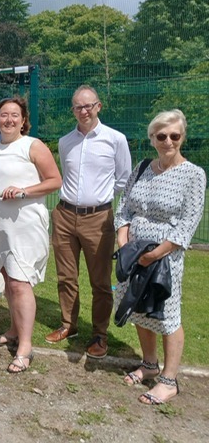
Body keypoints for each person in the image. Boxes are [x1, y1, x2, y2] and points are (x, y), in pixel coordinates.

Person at [115, 109, 205, 405]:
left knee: (166, 315)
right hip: (135, 252)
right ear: (152, 138)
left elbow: (187, 224)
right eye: (161, 136)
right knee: (138, 307)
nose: (168, 141)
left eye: (175, 136)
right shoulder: (142, 168)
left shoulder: (193, 174)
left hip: (165, 257)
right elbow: (125, 208)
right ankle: (149, 364)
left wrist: (155, 254)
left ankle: (169, 380)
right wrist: (124, 242)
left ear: (182, 138)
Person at [0, 97, 62, 373]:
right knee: (8, 280)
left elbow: (54, 181)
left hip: (24, 225)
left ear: (24, 120)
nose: (9, 120)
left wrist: (23, 191)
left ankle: (25, 346)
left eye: (15, 115)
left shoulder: (33, 146)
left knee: (20, 283)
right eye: (3, 115)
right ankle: (13, 331)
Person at [46, 85, 132, 359]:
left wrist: (101, 199)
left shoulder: (116, 139)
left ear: (98, 106)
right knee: (66, 277)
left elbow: (124, 179)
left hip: (98, 218)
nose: (83, 111)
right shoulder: (65, 141)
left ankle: (99, 334)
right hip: (64, 214)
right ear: (72, 110)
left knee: (100, 282)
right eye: (78, 107)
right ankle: (68, 325)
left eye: (88, 106)